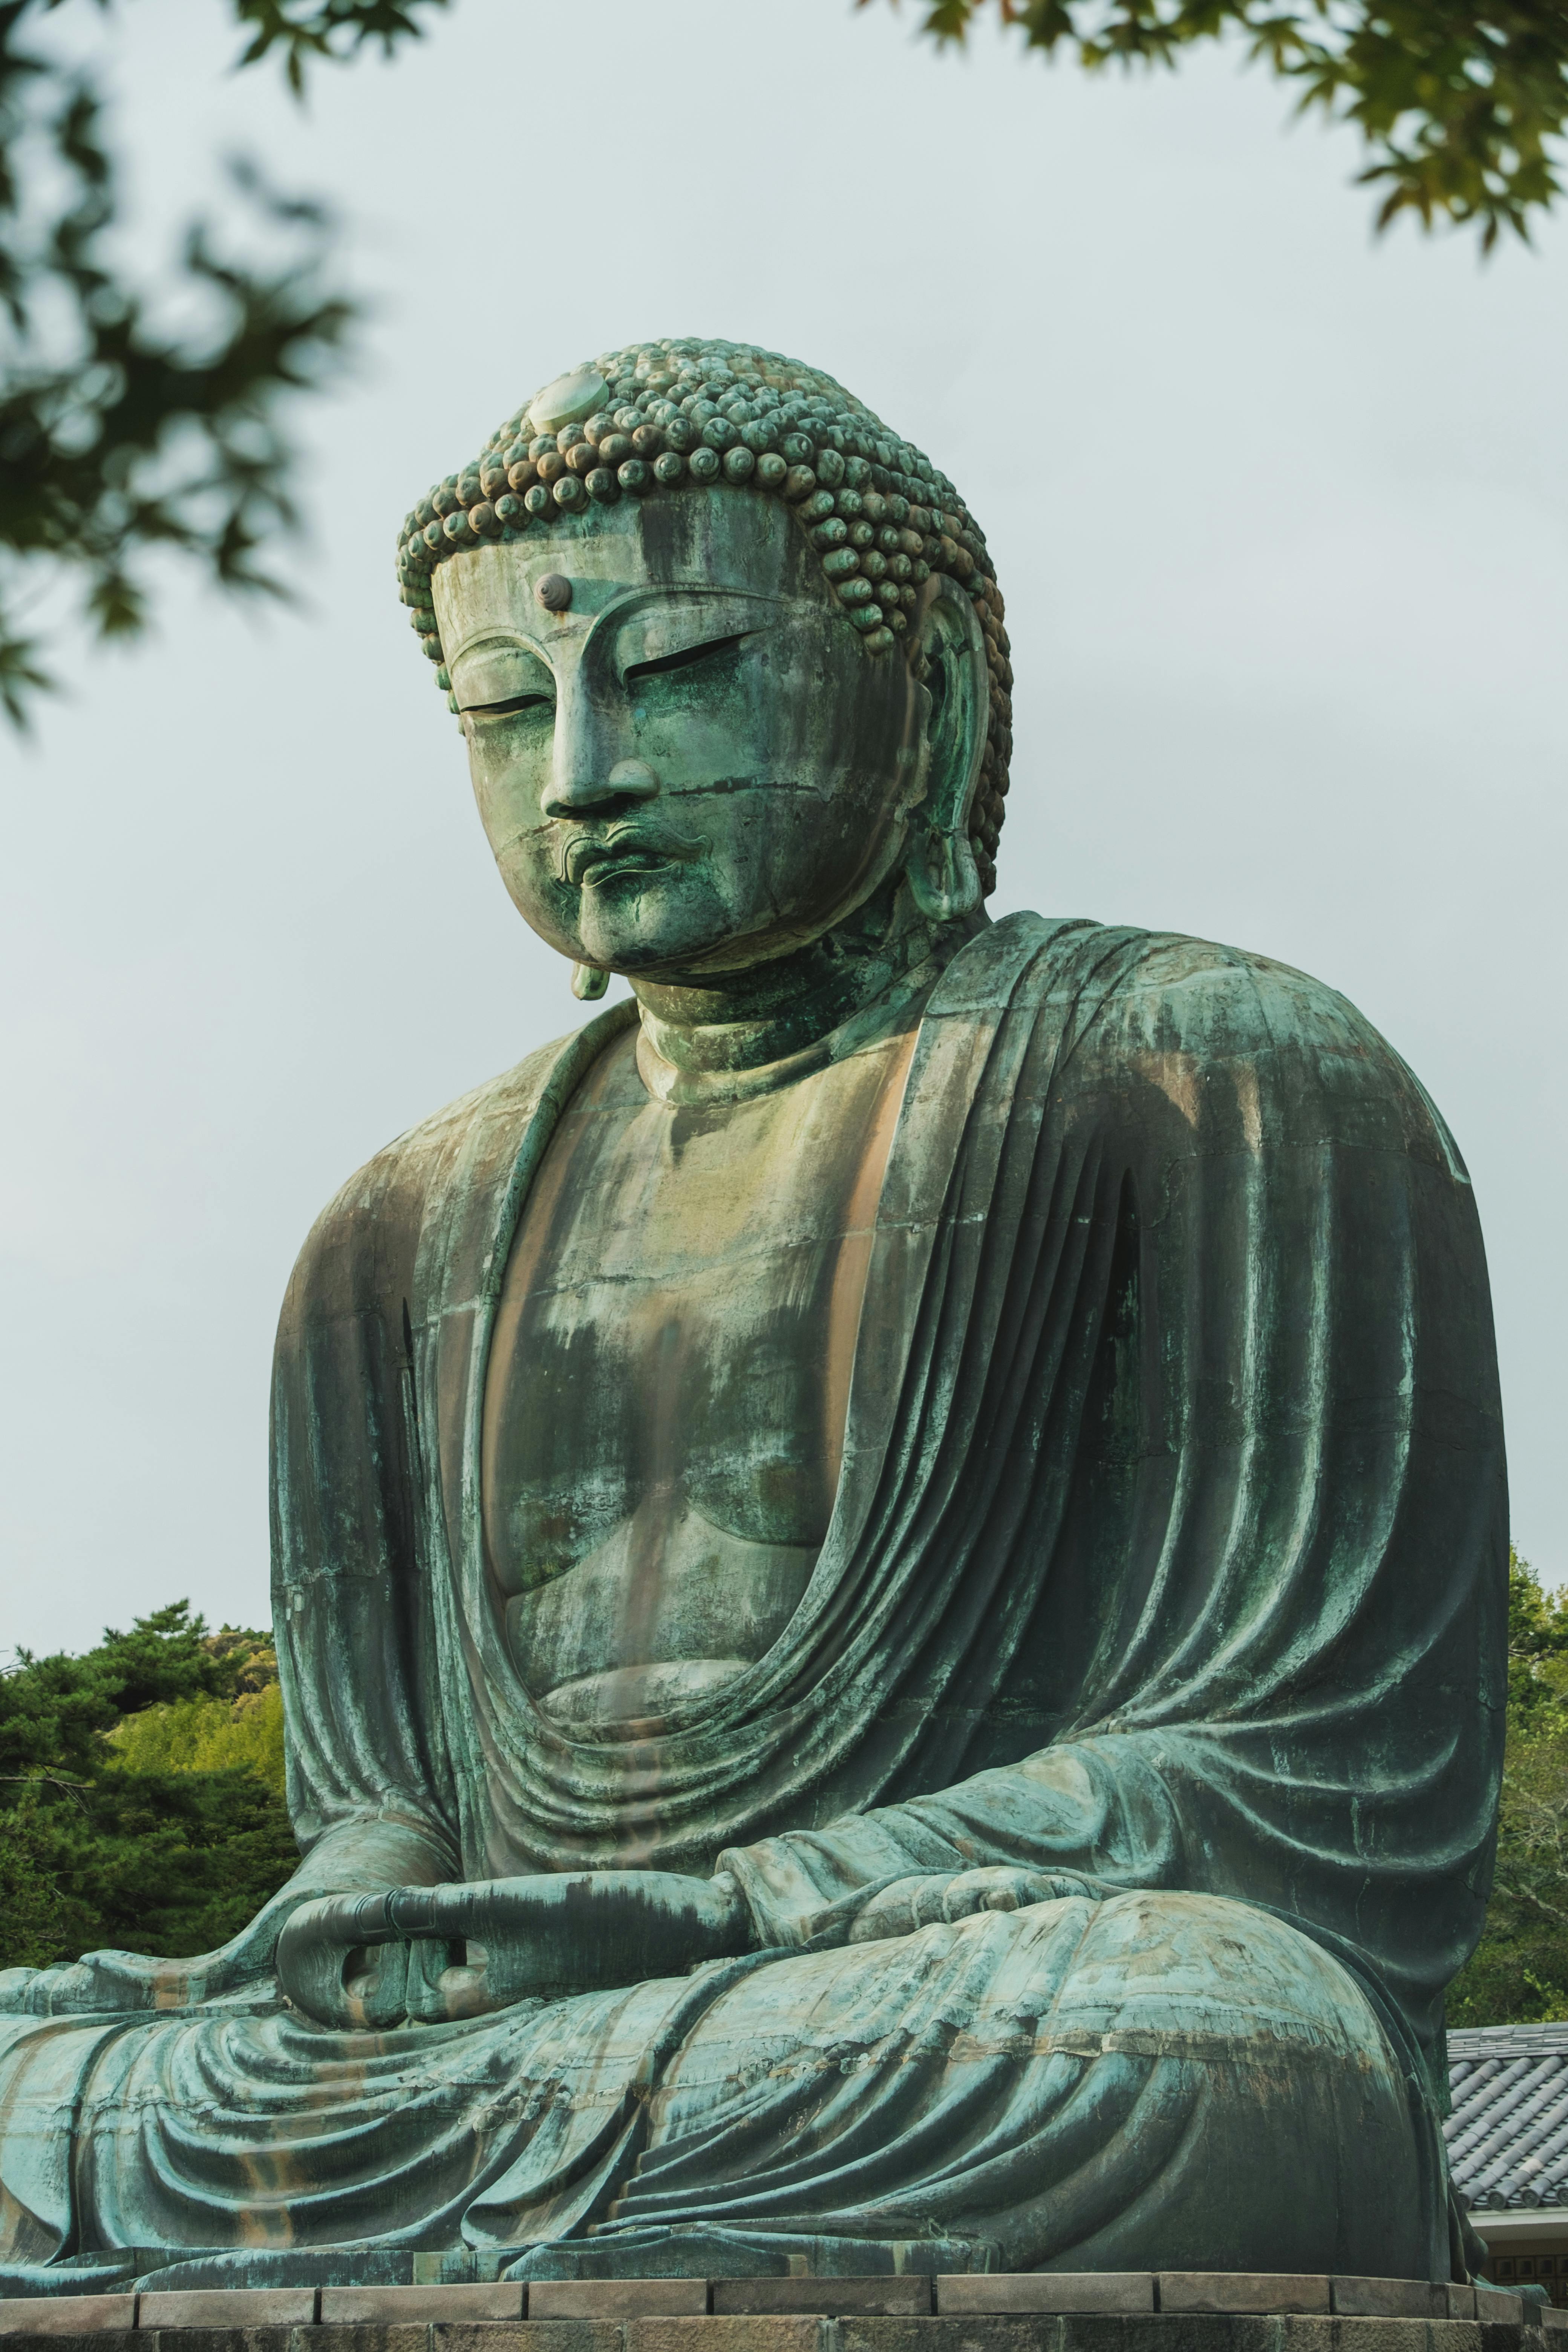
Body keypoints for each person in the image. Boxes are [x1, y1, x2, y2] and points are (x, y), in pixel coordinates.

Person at [0, 340, 1506, 2292]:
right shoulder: (393, 1232)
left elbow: (1311, 1783)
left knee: (1212, 2045)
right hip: (538, 2049)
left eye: (685, 669)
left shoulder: (1215, 1074)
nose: (584, 774)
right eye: (504, 706)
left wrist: (731, 1906)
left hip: (940, 2000)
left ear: (934, 683)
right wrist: (322, 1941)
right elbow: (389, 1813)